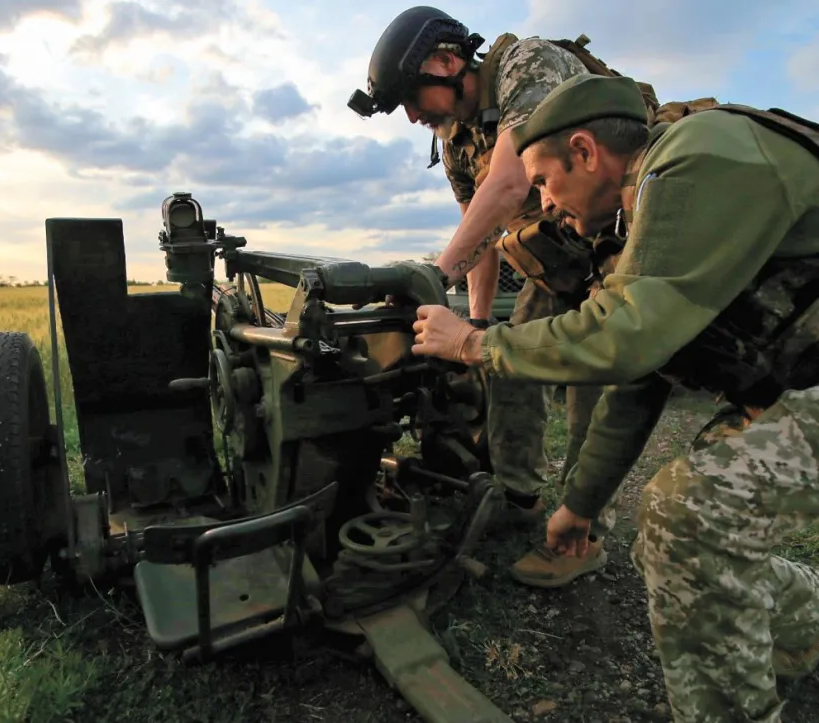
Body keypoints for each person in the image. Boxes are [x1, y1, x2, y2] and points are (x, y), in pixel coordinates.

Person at [410, 72, 819, 722]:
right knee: (684, 542)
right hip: (796, 386)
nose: (545, 204)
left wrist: (474, 343)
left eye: (544, 181)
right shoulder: (643, 219)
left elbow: (626, 339)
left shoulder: (697, 155)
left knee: (685, 518)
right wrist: (581, 505)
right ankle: (806, 633)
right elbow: (642, 375)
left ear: (585, 151)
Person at [349, 6, 659, 587]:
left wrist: (432, 277)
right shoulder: (456, 144)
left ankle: (583, 535)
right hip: (556, 264)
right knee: (507, 363)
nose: (412, 115)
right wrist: (472, 324)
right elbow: (482, 234)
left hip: (620, 244)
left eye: (412, 97)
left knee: (594, 388)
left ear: (447, 62)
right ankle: (520, 499)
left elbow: (510, 183)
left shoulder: (527, 65)